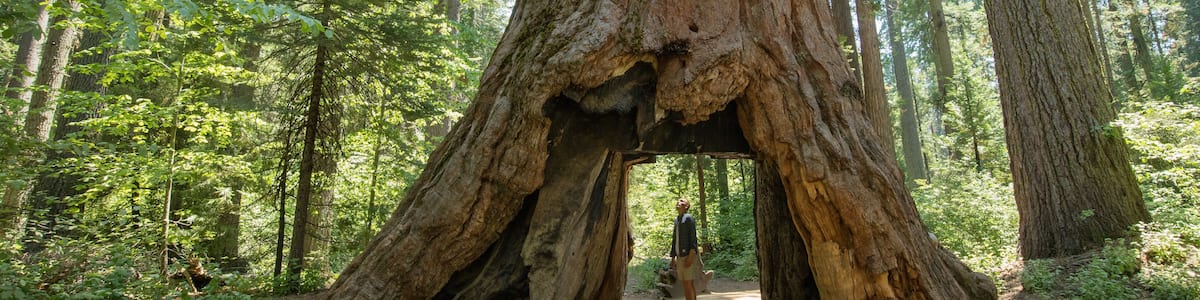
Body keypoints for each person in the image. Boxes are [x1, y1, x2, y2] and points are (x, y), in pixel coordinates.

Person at [669, 198, 699, 300]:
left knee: (688, 283)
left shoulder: (688, 218)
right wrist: (673, 258)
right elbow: (675, 239)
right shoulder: (677, 220)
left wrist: (691, 255)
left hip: (687, 255)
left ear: (686, 206)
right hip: (679, 256)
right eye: (677, 201)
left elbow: (693, 237)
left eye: (682, 201)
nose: (678, 202)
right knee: (685, 284)